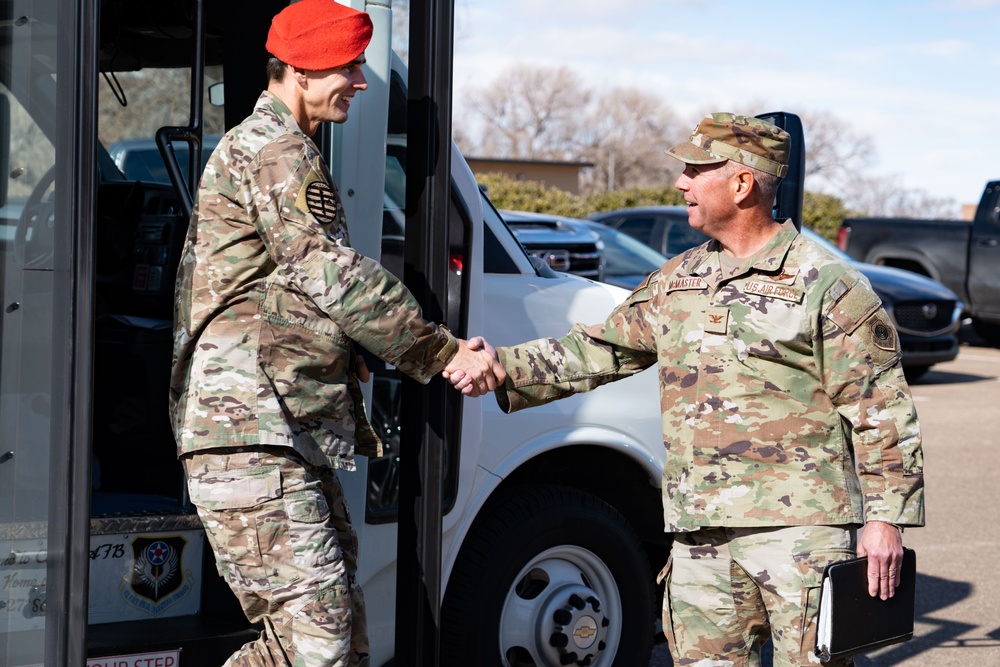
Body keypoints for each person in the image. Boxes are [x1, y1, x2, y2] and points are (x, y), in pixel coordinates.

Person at [452, 113, 924, 665]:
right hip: (700, 537)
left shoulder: (826, 283)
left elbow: (880, 409)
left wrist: (884, 521)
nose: (681, 183)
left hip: (800, 537)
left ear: (742, 184)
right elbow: (601, 349)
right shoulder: (680, 278)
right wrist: (502, 367)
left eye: (697, 170)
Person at [168, 1, 504, 665]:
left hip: (281, 430)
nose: (361, 80)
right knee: (316, 645)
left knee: (337, 641)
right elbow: (330, 275)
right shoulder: (274, 153)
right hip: (252, 434)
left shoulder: (282, 149)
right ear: (298, 69)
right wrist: (438, 352)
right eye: (347, 66)